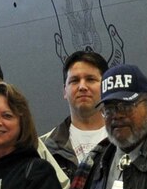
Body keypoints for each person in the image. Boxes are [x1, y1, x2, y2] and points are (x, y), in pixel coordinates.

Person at [41, 49, 108, 180]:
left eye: (90, 79)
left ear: (106, 87)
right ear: (64, 91)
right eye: (75, 80)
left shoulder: (125, 140)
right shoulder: (45, 147)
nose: (82, 86)